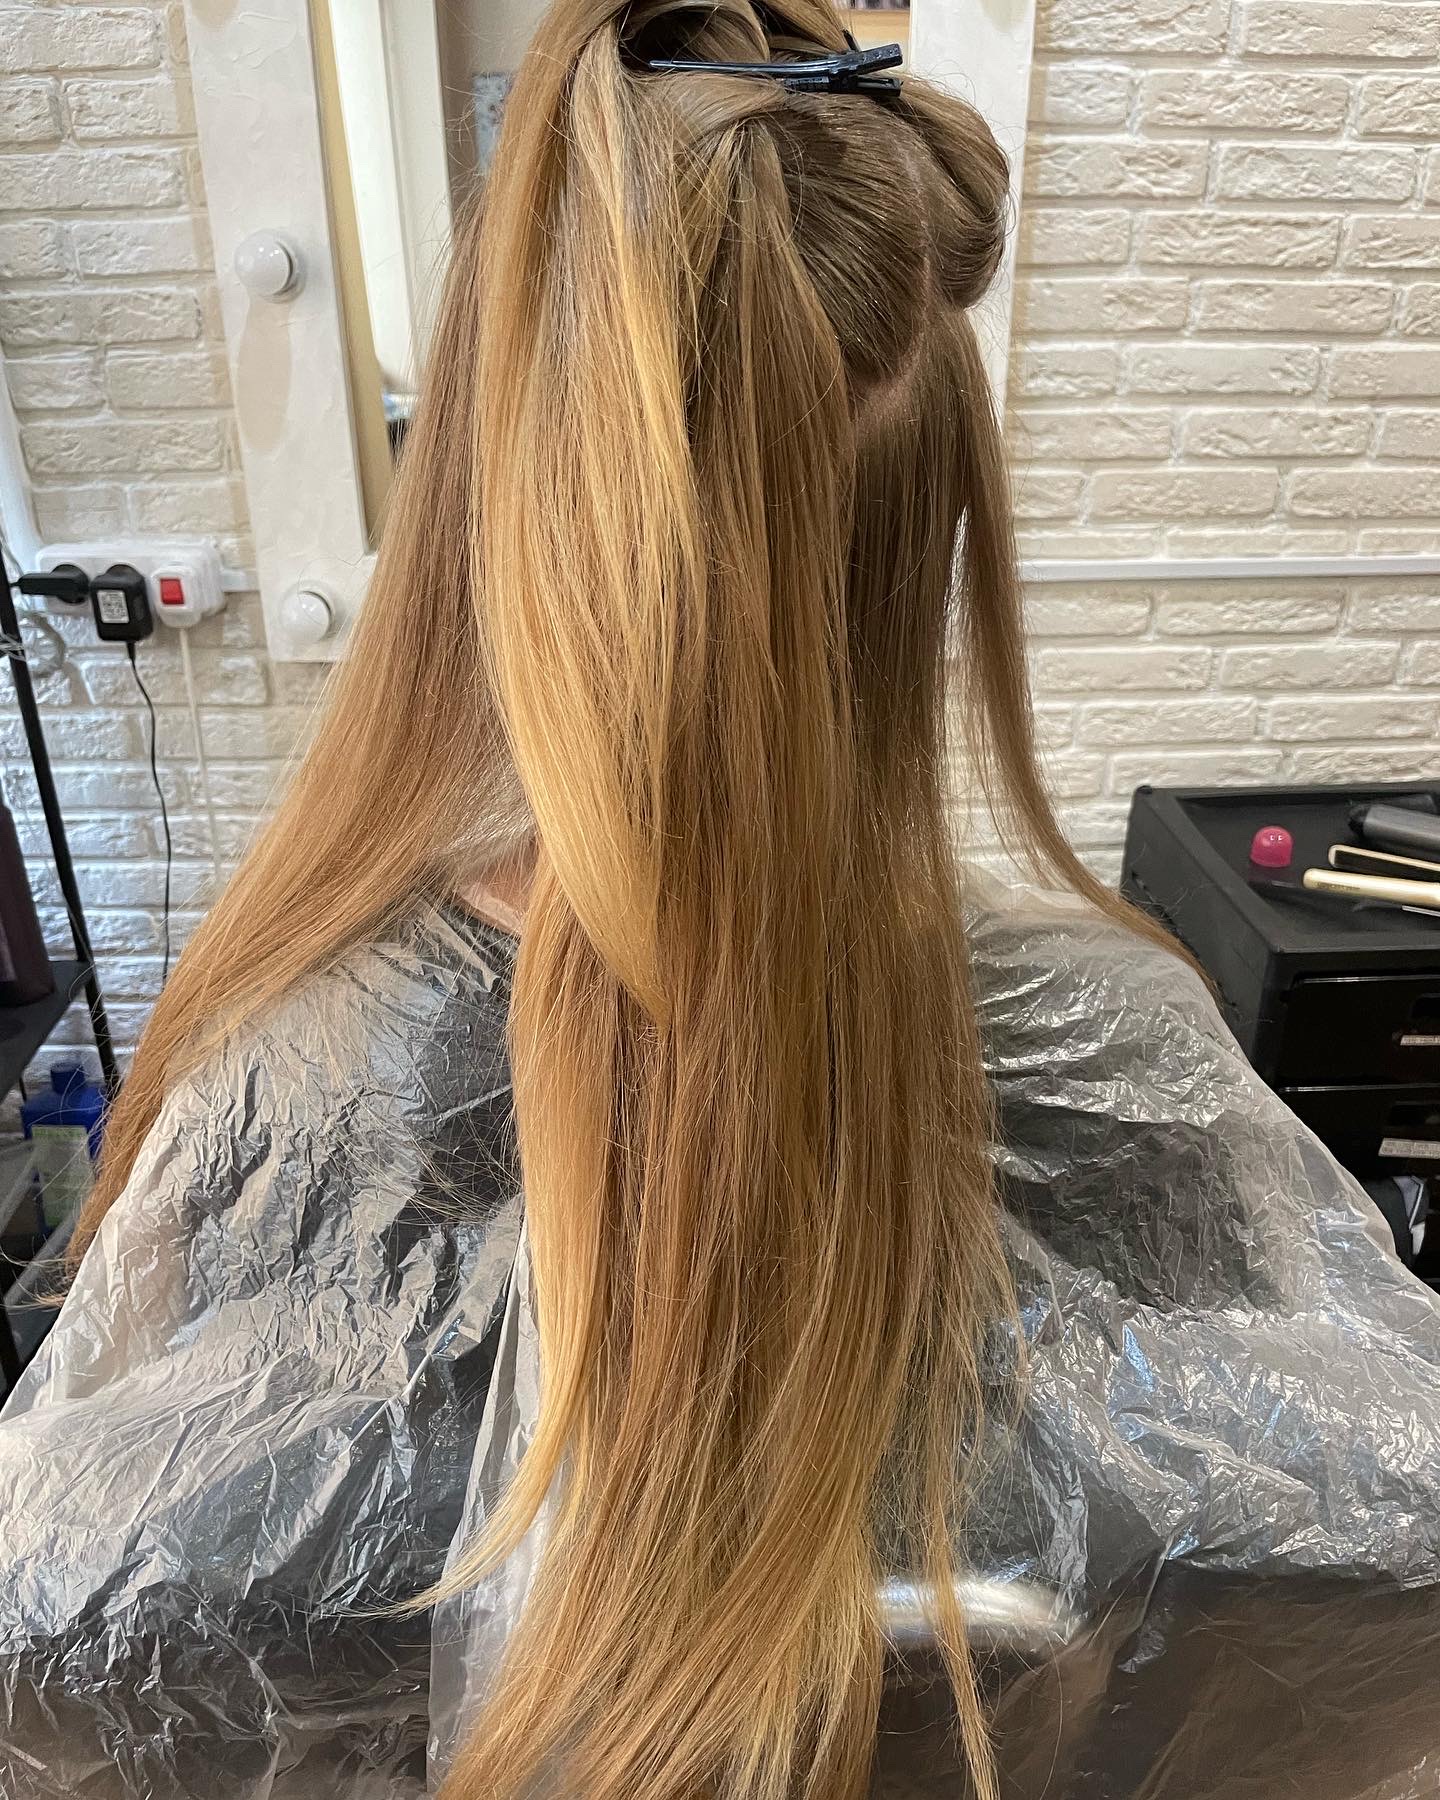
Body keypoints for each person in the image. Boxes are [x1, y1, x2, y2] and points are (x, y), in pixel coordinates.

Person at [2, 2, 1439, 1795]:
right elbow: (1376, 1583)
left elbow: (66, 1642)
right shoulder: (1122, 1045)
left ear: (475, 531)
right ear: (931, 548)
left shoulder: (277, 1074)